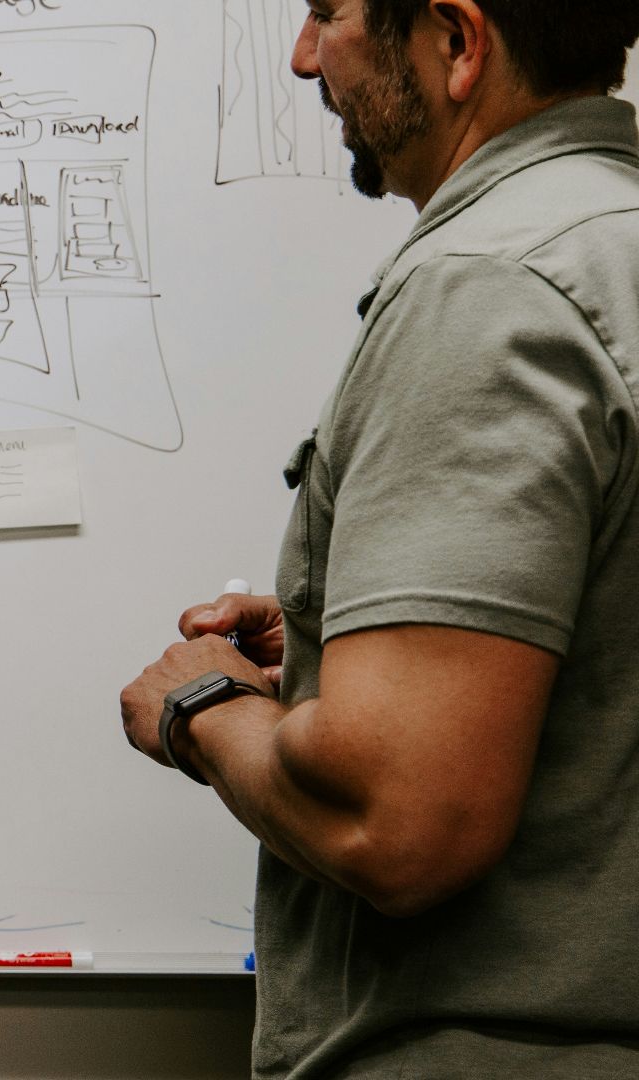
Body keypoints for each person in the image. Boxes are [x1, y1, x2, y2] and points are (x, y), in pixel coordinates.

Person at [118, 1, 639, 1077]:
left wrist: (200, 705)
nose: (304, 56)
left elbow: (399, 822)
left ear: (456, 41)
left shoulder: (488, 287)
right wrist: (339, 638)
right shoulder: (611, 241)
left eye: (329, 12)